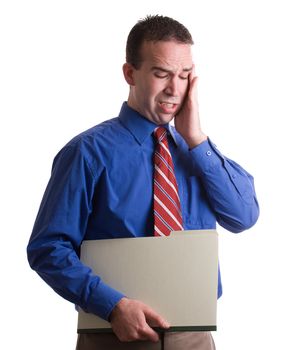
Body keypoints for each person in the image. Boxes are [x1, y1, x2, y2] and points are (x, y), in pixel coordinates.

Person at [27, 15, 259, 350]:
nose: (174, 88)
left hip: (193, 337)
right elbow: (47, 248)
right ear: (130, 73)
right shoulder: (87, 153)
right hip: (113, 334)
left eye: (184, 76)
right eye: (162, 73)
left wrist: (195, 138)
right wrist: (113, 305)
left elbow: (244, 217)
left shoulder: (196, 153)